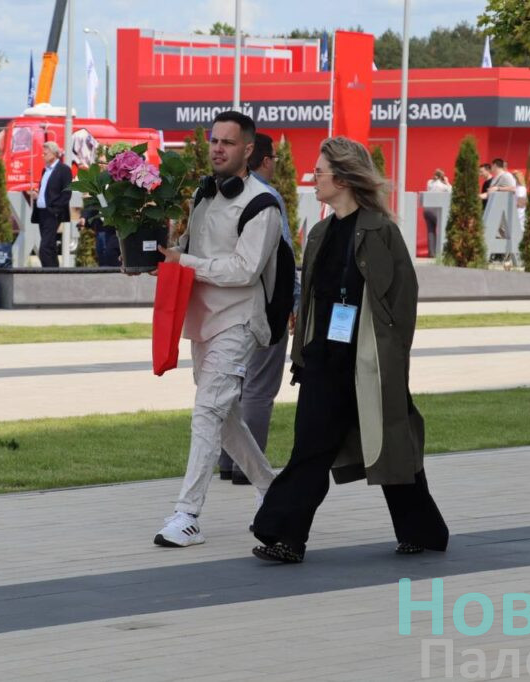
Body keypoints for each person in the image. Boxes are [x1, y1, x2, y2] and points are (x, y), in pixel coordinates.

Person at [250, 136, 449, 564]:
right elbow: (313, 300)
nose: (314, 178)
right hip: (323, 361)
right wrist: (303, 352)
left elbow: (402, 301)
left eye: (320, 171)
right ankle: (285, 536)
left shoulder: (381, 231)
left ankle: (423, 532)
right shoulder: (320, 232)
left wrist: (391, 359)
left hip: (369, 364)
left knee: (392, 444)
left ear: (342, 178)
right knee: (309, 449)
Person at [151, 110, 280, 548]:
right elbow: (188, 250)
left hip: (239, 320)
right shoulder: (202, 195)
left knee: (207, 411)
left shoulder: (262, 205)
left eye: (228, 142)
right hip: (203, 321)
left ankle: (187, 515)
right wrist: (158, 256)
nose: (218, 149)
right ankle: (272, 490)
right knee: (224, 417)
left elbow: (245, 270)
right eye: (214, 141)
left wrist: (185, 261)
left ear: (248, 149)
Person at [217, 132, 299, 485]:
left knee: (232, 385)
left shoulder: (220, 194)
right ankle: (247, 469)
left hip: (226, 304)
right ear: (264, 160)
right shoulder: (267, 198)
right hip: (264, 302)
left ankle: (227, 461)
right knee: (260, 386)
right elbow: (283, 254)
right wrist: (294, 301)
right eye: (274, 158)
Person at [30, 141, 73, 268]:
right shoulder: (45, 170)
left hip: (52, 213)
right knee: (51, 246)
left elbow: (67, 193)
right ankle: (55, 272)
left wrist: (56, 210)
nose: (43, 156)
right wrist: (37, 196)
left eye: (46, 153)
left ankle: (48, 273)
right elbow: (47, 191)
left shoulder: (64, 170)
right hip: (41, 212)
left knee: (45, 247)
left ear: (54, 154)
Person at [422, 169, 451, 258]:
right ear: (442, 176)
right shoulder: (442, 185)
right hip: (437, 210)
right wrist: (447, 182)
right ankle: (440, 252)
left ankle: (431, 253)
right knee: (442, 229)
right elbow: (451, 191)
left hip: (427, 209)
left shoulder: (430, 182)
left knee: (430, 231)